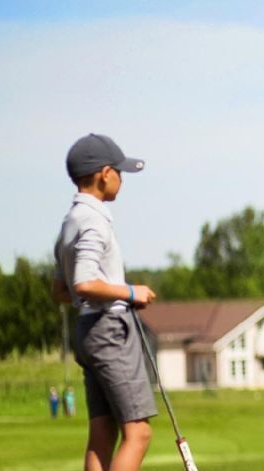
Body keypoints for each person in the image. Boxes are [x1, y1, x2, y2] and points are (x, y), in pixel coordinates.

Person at [51, 133, 158, 471]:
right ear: (104, 174)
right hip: (109, 331)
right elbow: (83, 282)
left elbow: (61, 290)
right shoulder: (94, 221)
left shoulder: (70, 222)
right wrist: (128, 293)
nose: (122, 179)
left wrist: (102, 291)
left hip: (86, 330)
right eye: (120, 172)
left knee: (102, 431)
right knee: (138, 433)